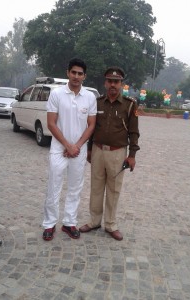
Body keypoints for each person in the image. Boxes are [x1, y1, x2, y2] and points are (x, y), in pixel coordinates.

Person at [79, 66, 140, 241]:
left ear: (121, 84)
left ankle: (111, 224)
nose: (113, 84)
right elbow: (91, 127)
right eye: (110, 81)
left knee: (113, 190)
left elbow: (134, 132)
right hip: (98, 150)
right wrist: (90, 149)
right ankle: (94, 221)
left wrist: (132, 155)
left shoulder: (129, 105)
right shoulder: (97, 103)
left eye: (116, 81)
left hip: (117, 153)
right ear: (105, 83)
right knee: (96, 188)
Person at [42, 58, 97, 241]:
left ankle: (69, 222)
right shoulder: (57, 94)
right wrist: (67, 145)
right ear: (68, 73)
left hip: (79, 149)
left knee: (75, 187)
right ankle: (49, 224)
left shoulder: (89, 97)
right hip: (59, 148)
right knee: (53, 186)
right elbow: (51, 123)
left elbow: (91, 125)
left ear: (84, 76)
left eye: (80, 73)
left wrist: (77, 146)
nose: (76, 76)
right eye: (73, 72)